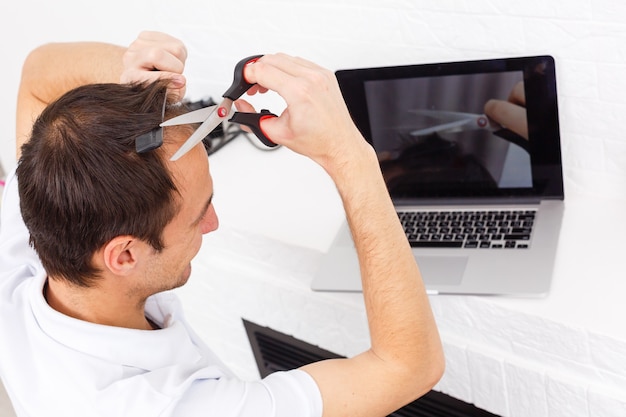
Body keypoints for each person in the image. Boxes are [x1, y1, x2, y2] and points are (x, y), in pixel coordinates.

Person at [0, 31, 444, 416]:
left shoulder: (30, 237)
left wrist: (128, 72)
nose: (213, 223)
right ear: (125, 254)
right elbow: (407, 368)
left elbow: (37, 76)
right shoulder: (168, 408)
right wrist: (352, 157)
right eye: (199, 213)